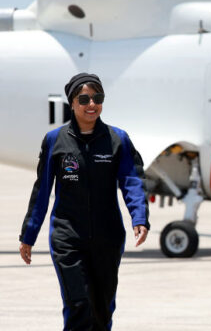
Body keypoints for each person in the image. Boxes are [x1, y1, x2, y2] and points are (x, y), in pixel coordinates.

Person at [18, 72, 150, 330]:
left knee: (102, 308)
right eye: (85, 98)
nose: (92, 104)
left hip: (107, 237)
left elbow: (133, 181)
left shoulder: (118, 139)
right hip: (68, 237)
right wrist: (28, 234)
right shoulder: (55, 141)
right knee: (79, 304)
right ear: (73, 103)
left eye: (97, 97)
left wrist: (140, 217)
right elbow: (42, 190)